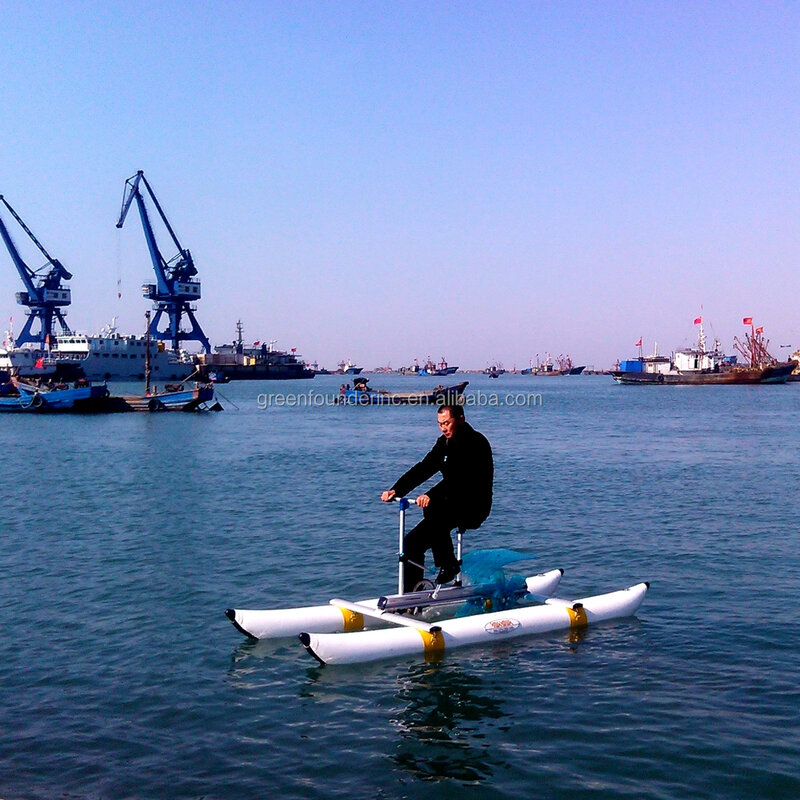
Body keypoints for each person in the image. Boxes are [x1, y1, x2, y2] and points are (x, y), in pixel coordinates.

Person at [381, 404, 493, 591]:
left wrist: (430, 495)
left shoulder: (476, 443)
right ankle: (412, 595)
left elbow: (461, 479)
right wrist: (397, 490)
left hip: (474, 505)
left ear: (461, 419)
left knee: (433, 508)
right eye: (440, 424)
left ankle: (448, 564)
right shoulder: (444, 443)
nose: (443, 428)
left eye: (447, 423)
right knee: (410, 545)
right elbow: (423, 468)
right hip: (449, 504)